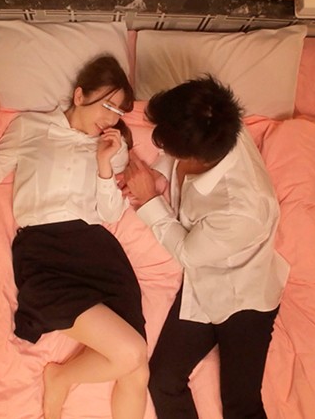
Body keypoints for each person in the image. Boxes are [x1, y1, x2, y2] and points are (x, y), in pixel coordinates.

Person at [0, 55, 148, 419]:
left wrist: (105, 163)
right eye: (107, 105)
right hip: (44, 250)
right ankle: (61, 378)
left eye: (119, 111)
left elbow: (111, 213)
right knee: (132, 354)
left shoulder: (113, 147)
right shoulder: (31, 127)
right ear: (80, 96)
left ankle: (62, 377)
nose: (111, 118)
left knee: (138, 369)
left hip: (98, 252)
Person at [121, 76, 289, 419]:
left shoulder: (242, 209)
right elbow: (179, 155)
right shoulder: (214, 122)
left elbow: (187, 252)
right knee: (163, 381)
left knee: (241, 406)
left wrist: (150, 200)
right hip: (202, 284)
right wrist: (157, 175)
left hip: (244, 297)